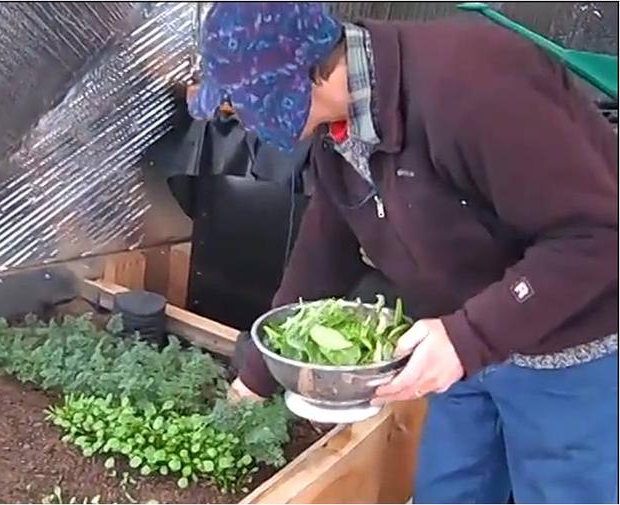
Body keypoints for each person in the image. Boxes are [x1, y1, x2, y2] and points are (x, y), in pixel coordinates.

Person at [188, 3, 619, 503]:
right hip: (462, 350)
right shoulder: (339, 130)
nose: (240, 121)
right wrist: (257, 377)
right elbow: (323, 254)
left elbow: (599, 235)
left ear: (302, 78)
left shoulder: (475, 85)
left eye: (241, 105)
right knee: (447, 492)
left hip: (567, 356)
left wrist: (467, 335)